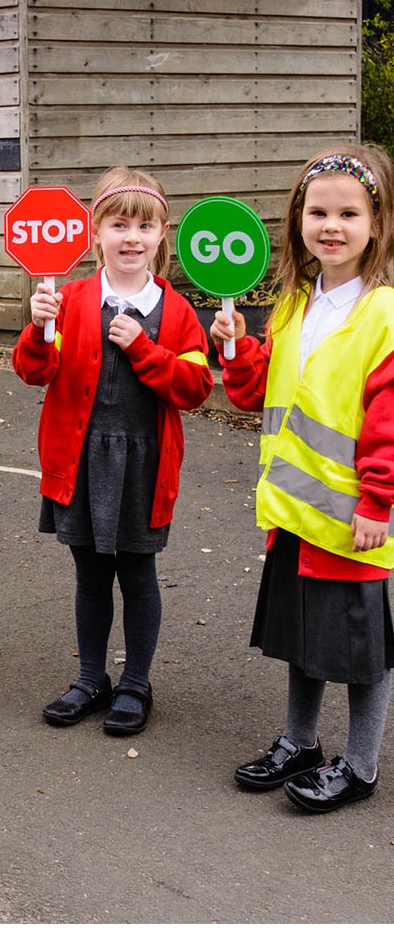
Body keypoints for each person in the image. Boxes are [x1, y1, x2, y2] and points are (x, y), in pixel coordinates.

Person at [212, 144, 394, 813]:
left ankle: (363, 766)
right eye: (318, 211)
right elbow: (257, 393)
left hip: (354, 518)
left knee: (360, 650)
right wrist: (234, 347)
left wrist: (378, 502)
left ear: (378, 222)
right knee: (303, 637)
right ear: (297, 220)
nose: (332, 226)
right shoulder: (291, 303)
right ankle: (300, 742)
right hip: (292, 511)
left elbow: (388, 423)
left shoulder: (383, 315)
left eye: (350, 213)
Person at [13, 167, 213, 735]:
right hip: (79, 459)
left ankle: (136, 684)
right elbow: (34, 372)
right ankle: (91, 679)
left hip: (144, 464)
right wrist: (37, 329)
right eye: (118, 224)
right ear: (94, 231)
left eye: (143, 226)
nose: (131, 237)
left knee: (138, 572)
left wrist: (145, 349)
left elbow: (195, 388)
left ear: (161, 234)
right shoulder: (69, 298)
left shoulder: (173, 311)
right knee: (90, 574)